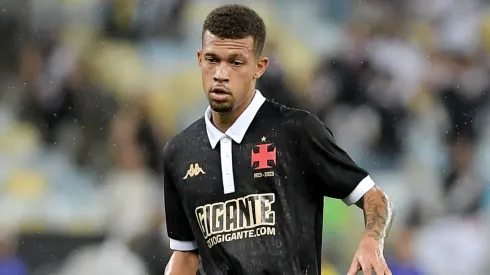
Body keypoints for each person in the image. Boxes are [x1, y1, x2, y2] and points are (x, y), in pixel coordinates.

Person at [163, 4, 394, 275]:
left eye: (236, 62)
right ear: (200, 59)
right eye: (212, 59)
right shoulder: (180, 152)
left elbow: (374, 197)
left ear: (259, 67)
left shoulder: (295, 131)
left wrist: (372, 241)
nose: (220, 74)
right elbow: (186, 254)